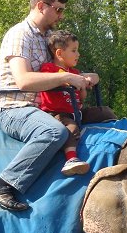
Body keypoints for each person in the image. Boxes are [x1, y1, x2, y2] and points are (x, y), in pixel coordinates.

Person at [0, 0, 97, 211]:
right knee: (54, 132)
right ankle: (2, 184)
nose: (61, 16)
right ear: (41, 6)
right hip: (15, 108)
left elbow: (60, 70)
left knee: (104, 116)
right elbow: (24, 80)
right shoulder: (20, 35)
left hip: (49, 108)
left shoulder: (47, 39)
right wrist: (66, 78)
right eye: (59, 9)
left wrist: (84, 77)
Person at [38, 30, 116, 176]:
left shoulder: (74, 71)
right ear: (59, 53)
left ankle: (119, 136)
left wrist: (83, 87)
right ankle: (71, 159)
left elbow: (82, 97)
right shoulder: (49, 69)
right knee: (71, 128)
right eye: (74, 51)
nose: (78, 54)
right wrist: (74, 79)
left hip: (76, 111)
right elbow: (58, 79)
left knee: (104, 111)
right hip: (57, 114)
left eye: (77, 50)